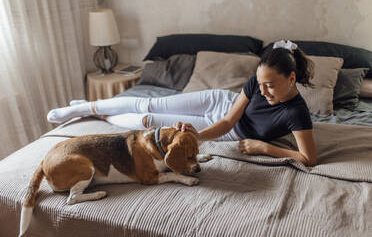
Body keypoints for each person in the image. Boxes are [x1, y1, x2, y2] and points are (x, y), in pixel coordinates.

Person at [47, 40, 317, 166]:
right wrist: (198, 136)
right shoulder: (257, 83)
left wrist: (265, 148)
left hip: (227, 131)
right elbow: (227, 118)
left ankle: (103, 116)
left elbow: (309, 158)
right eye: (259, 84)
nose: (263, 90)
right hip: (218, 103)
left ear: (291, 78)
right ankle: (83, 107)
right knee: (150, 105)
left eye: (269, 85)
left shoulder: (297, 113)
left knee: (148, 123)